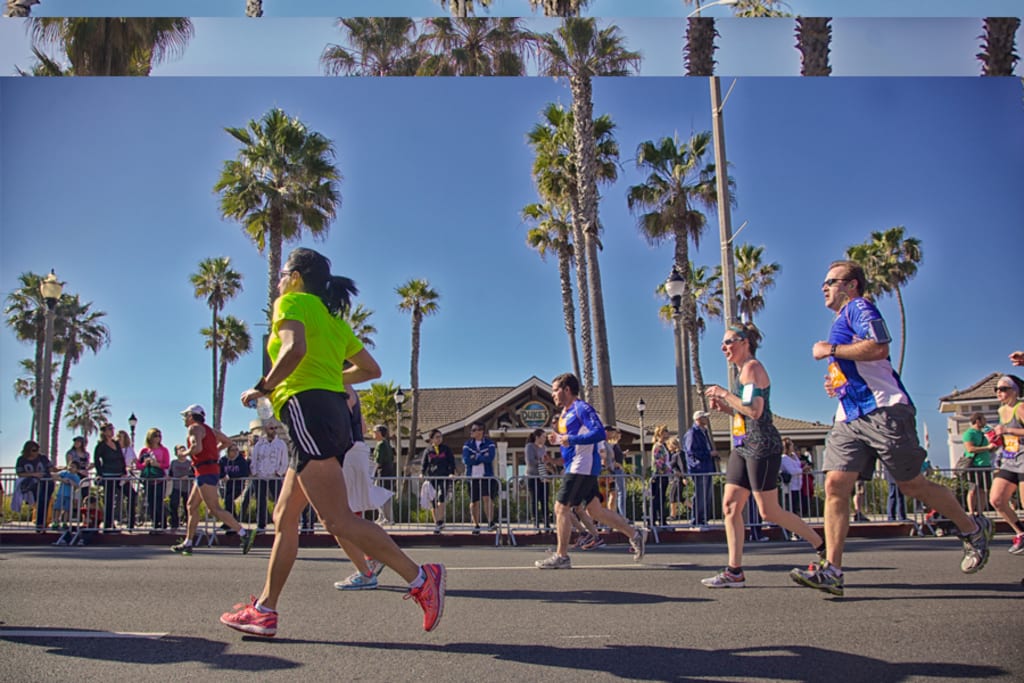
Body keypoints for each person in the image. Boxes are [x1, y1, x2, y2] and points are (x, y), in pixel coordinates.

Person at [220, 247, 444, 637]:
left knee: (335, 519)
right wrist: (333, 380)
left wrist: (261, 388)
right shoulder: (332, 319)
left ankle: (420, 577)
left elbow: (294, 349)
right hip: (328, 415)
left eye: (282, 274)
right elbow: (370, 370)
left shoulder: (290, 302)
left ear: (295, 276)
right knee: (285, 517)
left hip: (308, 412)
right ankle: (265, 609)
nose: (277, 281)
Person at [791, 260, 992, 597]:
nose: (824, 287)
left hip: (884, 409)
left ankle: (972, 528)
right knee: (837, 484)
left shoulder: (859, 307)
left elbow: (880, 346)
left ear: (852, 284)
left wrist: (832, 350)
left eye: (831, 281)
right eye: (823, 282)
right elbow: (857, 365)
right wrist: (835, 382)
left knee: (912, 485)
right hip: (849, 416)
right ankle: (833, 570)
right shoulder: (840, 319)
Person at [701, 323, 825, 589]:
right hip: (743, 444)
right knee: (731, 505)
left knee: (769, 511)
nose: (724, 348)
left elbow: (755, 411)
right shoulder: (742, 371)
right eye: (722, 344)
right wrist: (726, 407)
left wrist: (724, 393)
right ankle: (734, 571)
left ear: (745, 342)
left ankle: (822, 545)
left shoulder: (752, 368)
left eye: (729, 342)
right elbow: (744, 410)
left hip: (763, 445)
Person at [535, 372, 647, 569]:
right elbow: (569, 438)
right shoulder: (565, 412)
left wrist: (570, 440)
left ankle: (562, 556)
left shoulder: (582, 408)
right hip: (576, 464)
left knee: (561, 508)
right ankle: (635, 534)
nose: (552, 394)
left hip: (582, 465)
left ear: (567, 390)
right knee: (594, 511)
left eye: (555, 390)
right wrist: (558, 439)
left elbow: (598, 433)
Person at [171, 404, 254, 556]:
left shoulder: (194, 428)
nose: (184, 420)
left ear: (191, 416)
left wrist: (184, 454)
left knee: (214, 508)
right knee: (191, 506)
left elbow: (196, 448)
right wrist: (214, 450)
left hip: (205, 471)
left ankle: (243, 533)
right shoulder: (209, 430)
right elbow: (228, 442)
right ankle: (188, 543)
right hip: (205, 471)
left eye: (185, 416)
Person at [988, 375, 1024, 555]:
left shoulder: (1021, 408)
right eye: (997, 389)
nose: (999, 392)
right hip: (1010, 459)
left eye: (1003, 389)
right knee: (997, 500)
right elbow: (1007, 436)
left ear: (1014, 391)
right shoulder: (1002, 411)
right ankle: (1021, 532)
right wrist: (997, 439)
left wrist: (1008, 430)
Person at [248, 422, 288, 532]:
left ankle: (281, 523)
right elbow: (254, 459)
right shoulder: (259, 444)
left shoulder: (280, 444)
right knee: (260, 500)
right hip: (260, 476)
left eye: (275, 428)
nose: (274, 430)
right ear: (266, 429)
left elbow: (284, 460)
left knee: (278, 500)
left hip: (274, 477)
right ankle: (261, 525)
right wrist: (255, 471)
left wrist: (279, 472)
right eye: (271, 428)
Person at [684, 411, 717, 528]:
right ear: (698, 419)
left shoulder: (704, 432)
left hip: (706, 467)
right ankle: (696, 519)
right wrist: (708, 454)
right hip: (699, 468)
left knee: (706, 494)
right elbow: (691, 452)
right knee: (699, 494)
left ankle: (703, 518)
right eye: (704, 417)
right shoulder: (692, 433)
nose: (706, 419)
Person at [462, 422, 497, 534]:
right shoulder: (467, 444)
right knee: (474, 501)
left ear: (481, 431)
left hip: (486, 476)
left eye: (474, 430)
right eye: (471, 430)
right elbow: (466, 460)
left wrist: (476, 457)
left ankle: (490, 522)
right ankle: (476, 525)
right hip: (472, 477)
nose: (471, 432)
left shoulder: (490, 443)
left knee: (487, 498)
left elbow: (490, 458)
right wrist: (481, 457)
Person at [960, 412, 996, 516]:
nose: (986, 421)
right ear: (978, 421)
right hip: (974, 465)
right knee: (973, 490)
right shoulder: (969, 433)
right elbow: (970, 449)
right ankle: (971, 512)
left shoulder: (983, 434)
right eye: (984, 419)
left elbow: (988, 449)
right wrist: (987, 448)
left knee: (983, 490)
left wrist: (992, 448)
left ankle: (980, 512)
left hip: (985, 464)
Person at [421, 429, 456, 534]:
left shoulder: (446, 449)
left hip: (443, 477)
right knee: (433, 501)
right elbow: (424, 464)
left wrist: (451, 473)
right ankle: (437, 523)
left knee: (441, 497)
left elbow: (451, 462)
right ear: (431, 439)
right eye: (437, 437)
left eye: (440, 437)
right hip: (432, 478)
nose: (439, 439)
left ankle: (440, 521)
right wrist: (422, 473)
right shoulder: (428, 451)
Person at [93, 424, 125, 531]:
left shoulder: (116, 443)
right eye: (109, 429)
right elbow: (97, 460)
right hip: (108, 475)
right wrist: (100, 473)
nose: (112, 431)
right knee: (109, 499)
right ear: (104, 432)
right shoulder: (101, 446)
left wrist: (124, 471)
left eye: (112, 429)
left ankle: (128, 521)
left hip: (119, 474)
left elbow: (121, 457)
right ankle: (108, 524)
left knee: (130, 494)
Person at [137, 427, 170, 531]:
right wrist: (144, 464)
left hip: (160, 479)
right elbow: (139, 465)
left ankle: (163, 522)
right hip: (148, 479)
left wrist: (157, 464)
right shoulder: (144, 450)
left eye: (159, 436)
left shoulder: (164, 450)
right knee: (151, 502)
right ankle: (154, 523)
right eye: (155, 435)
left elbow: (166, 464)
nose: (158, 438)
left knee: (159, 501)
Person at [219, 443, 251, 528]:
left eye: (236, 450)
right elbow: (218, 471)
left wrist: (231, 476)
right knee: (227, 502)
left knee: (229, 499)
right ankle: (231, 522)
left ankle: (231, 522)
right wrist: (223, 476)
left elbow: (244, 472)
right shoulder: (223, 460)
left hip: (238, 485)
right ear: (228, 451)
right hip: (227, 485)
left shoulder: (241, 460)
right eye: (233, 450)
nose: (235, 452)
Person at [525, 428, 552, 530]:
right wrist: (541, 461)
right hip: (532, 476)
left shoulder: (544, 448)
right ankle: (535, 522)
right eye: (543, 436)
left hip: (543, 476)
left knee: (544, 500)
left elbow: (546, 460)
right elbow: (530, 461)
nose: (545, 439)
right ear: (537, 437)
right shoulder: (530, 447)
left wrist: (547, 464)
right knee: (534, 499)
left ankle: (547, 523)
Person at [373, 424, 396, 525]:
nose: (373, 434)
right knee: (382, 495)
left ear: (379, 433)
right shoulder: (386, 444)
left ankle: (387, 518)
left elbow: (378, 460)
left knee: (381, 495)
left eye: (375, 432)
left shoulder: (381, 444)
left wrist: (372, 471)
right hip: (388, 472)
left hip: (383, 473)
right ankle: (383, 516)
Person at [779, 438, 805, 530]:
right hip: (790, 487)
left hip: (798, 485)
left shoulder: (794, 455)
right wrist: (802, 470)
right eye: (791, 445)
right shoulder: (784, 458)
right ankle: (791, 529)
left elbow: (797, 465)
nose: (793, 446)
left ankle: (798, 529)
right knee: (791, 509)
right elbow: (791, 470)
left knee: (798, 508)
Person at [649, 425, 671, 529]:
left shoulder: (664, 446)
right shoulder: (657, 447)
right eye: (665, 431)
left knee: (662, 498)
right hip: (659, 475)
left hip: (664, 475)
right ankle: (653, 519)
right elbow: (659, 463)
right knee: (658, 498)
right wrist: (669, 471)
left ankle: (662, 518)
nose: (667, 433)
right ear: (660, 434)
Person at [116, 430, 139, 531]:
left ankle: (131, 522)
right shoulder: (114, 449)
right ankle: (114, 520)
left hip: (126, 477)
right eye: (119, 437)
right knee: (115, 498)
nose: (121, 439)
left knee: (132, 495)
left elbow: (135, 461)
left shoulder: (129, 449)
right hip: (116, 476)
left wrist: (134, 468)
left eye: (123, 437)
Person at [603, 427, 627, 519]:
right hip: (608, 472)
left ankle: (612, 516)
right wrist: (608, 469)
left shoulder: (609, 444)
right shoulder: (605, 444)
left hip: (611, 471)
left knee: (614, 494)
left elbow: (611, 458)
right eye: (612, 432)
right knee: (610, 494)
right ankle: (608, 518)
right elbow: (605, 459)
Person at [166, 445, 192, 530]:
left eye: (184, 450)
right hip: (176, 486)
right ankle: (174, 524)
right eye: (180, 450)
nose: (182, 452)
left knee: (187, 505)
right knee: (173, 504)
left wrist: (187, 476)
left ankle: (189, 523)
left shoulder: (189, 463)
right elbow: (170, 473)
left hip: (187, 487)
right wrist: (168, 477)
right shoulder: (173, 462)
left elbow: (194, 473)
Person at [51, 461, 82, 532]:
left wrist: (71, 482)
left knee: (67, 509)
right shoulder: (64, 473)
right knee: (57, 508)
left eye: (73, 467)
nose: (71, 468)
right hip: (60, 494)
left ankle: (65, 522)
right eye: (70, 466)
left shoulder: (76, 476)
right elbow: (53, 475)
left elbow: (78, 485)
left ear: (77, 469)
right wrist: (62, 479)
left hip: (69, 495)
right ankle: (56, 522)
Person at [65, 436, 92, 500]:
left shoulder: (86, 454)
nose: (76, 443)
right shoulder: (70, 453)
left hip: (84, 476)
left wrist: (90, 467)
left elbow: (87, 464)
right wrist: (78, 471)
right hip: (75, 475)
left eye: (78, 442)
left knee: (85, 494)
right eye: (75, 442)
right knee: (75, 495)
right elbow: (69, 466)